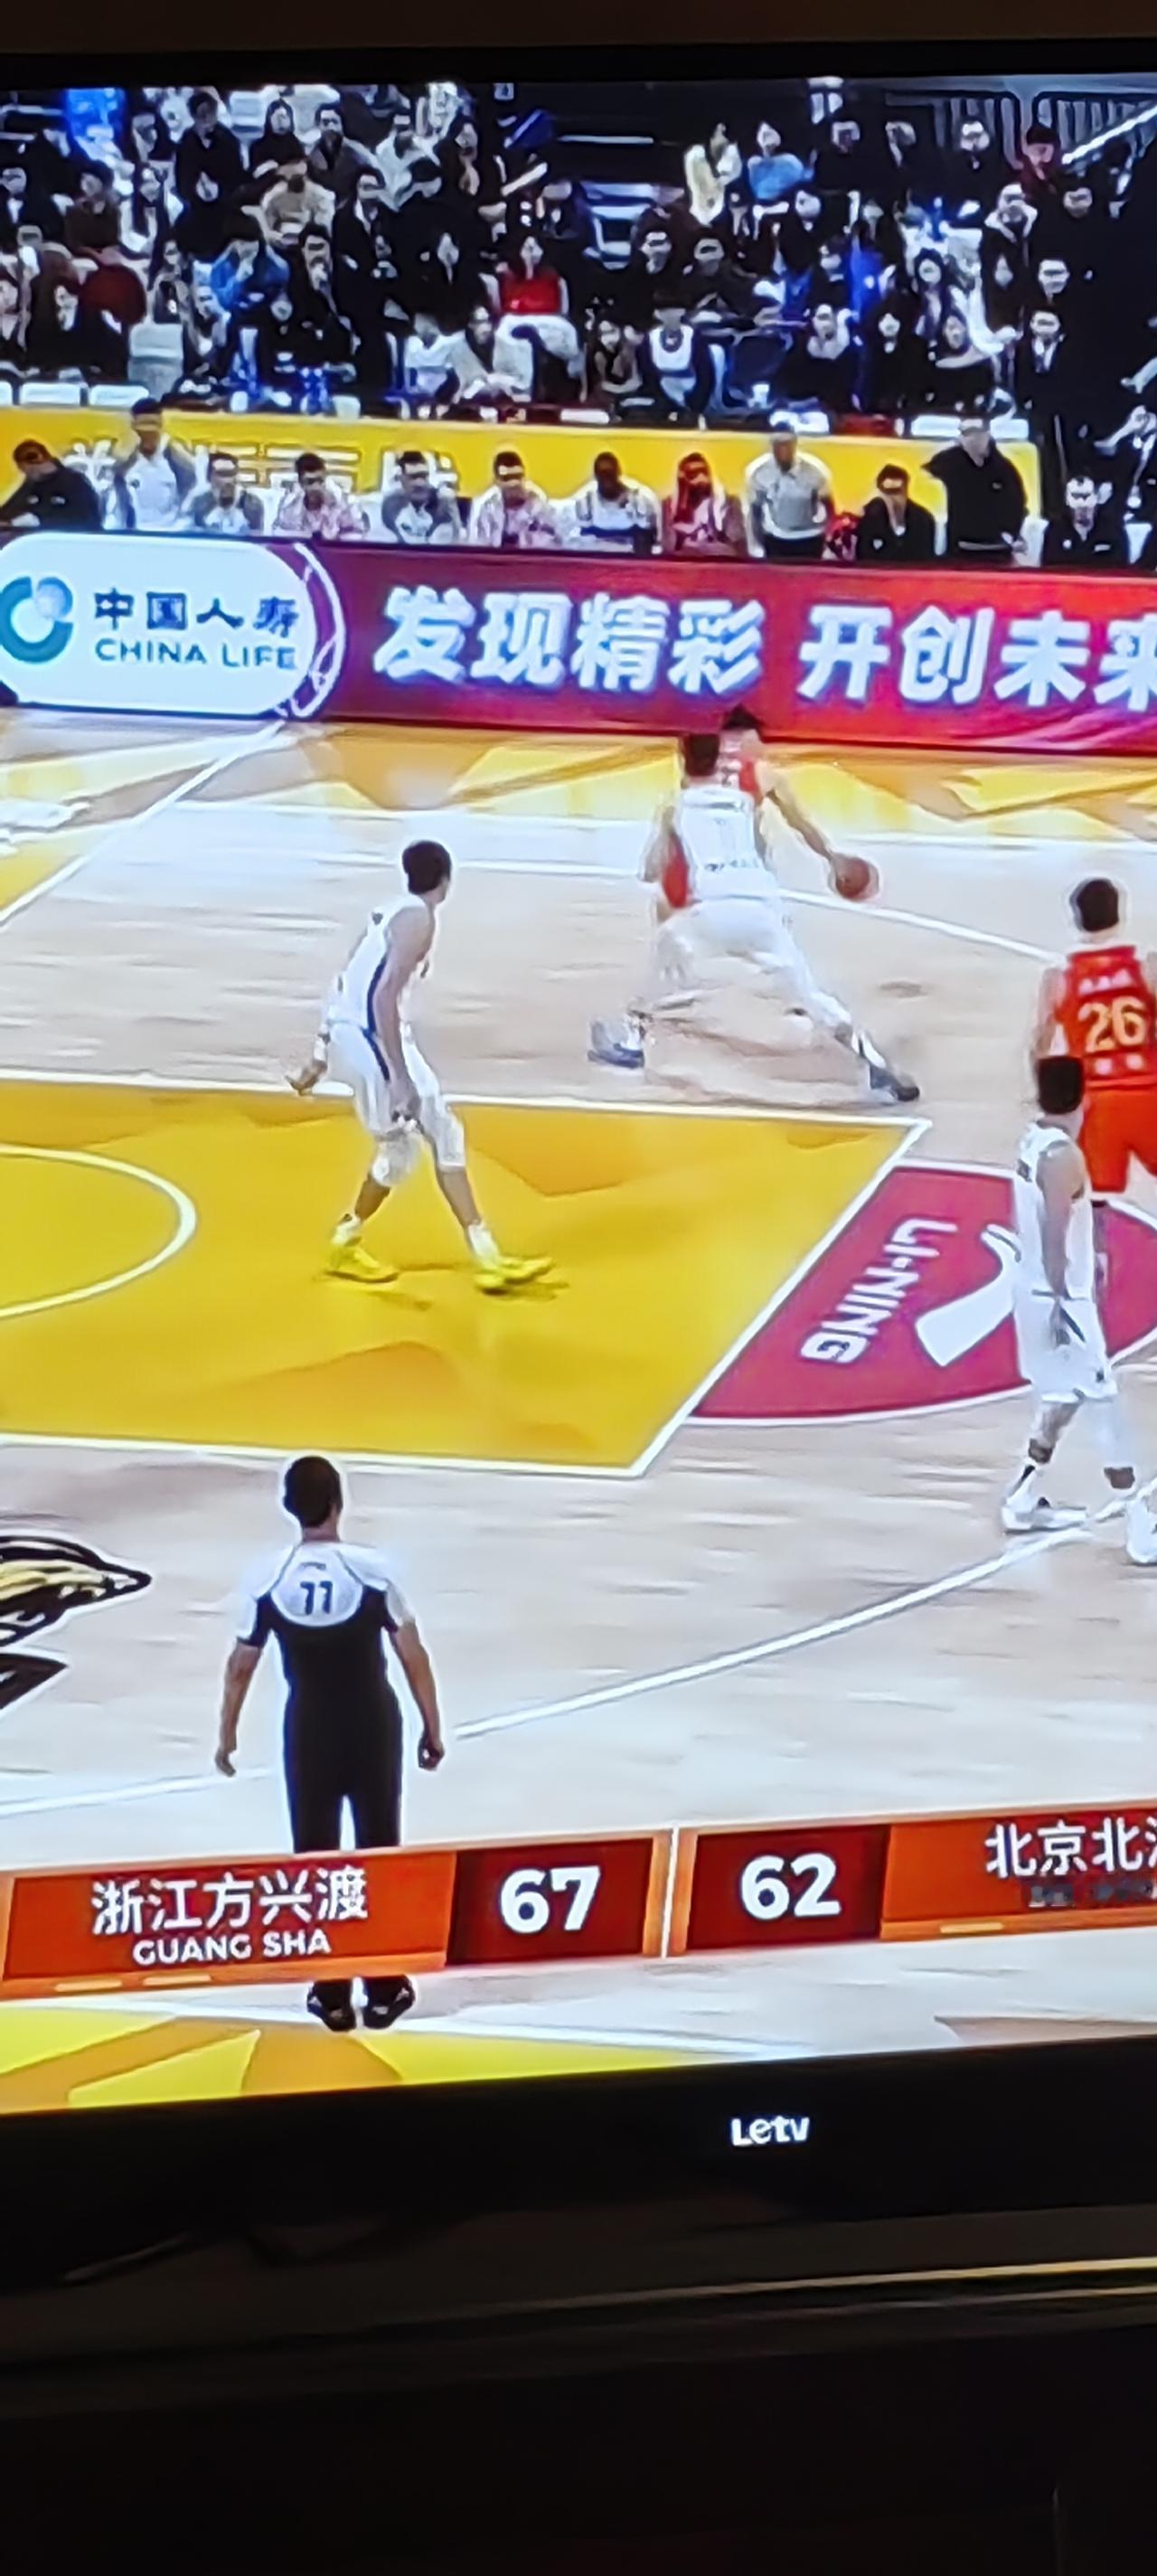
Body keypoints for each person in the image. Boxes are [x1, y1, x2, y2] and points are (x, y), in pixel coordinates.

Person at [215, 1452, 446, 2034]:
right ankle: (385, 1987)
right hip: (372, 1724)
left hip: (309, 1729)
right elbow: (411, 1653)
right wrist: (432, 1725)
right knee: (378, 1851)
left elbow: (241, 1666)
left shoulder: (269, 1579)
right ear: (339, 1504)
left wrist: (227, 1734)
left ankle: (331, 1990)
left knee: (316, 1857)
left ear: (289, 1508)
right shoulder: (372, 1573)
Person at [589, 722, 917, 1106]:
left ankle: (632, 1042)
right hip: (762, 910)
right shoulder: (745, 801)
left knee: (663, 954)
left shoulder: (674, 807)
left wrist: (660, 862)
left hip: (709, 914)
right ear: (720, 756)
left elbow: (649, 870)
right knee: (814, 998)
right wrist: (829, 857)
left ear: (682, 758)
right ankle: (875, 1063)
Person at [288, 839, 551, 1295]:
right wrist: (399, 1079)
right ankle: (347, 1242)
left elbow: (343, 984)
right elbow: (382, 998)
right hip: (369, 1041)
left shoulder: (387, 912)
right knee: (405, 1150)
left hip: (363, 1036)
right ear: (446, 881)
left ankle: (486, 1255)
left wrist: (318, 1053)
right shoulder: (420, 921)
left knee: (439, 1135)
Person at [1002, 1055, 1157, 1562]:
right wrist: (1063, 1305)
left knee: (1063, 1397)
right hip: (1059, 1299)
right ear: (1084, 1097)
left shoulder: (1032, 1141)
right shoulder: (1064, 1157)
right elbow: (1054, 1236)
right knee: (1105, 1406)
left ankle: (1022, 1500)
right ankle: (1141, 1527)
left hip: (1031, 1290)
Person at [1030, 878, 1157, 1275]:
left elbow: (1041, 1045)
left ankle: (1095, 1267)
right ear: (1120, 913)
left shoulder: (1059, 978)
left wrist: (1048, 1103)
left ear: (1077, 918)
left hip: (1097, 1103)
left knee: (1094, 1201)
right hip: (1148, 1092)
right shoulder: (1147, 967)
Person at [927, 414, 1027, 563]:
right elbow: (932, 467)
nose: (971, 438)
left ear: (986, 434)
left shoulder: (1004, 469)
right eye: (965, 433)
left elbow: (1018, 504)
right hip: (960, 549)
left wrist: (1011, 533)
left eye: (975, 432)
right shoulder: (952, 463)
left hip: (998, 550)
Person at [744, 416, 832, 561]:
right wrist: (755, 545)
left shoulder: (813, 471)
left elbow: (829, 505)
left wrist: (827, 533)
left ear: (794, 444)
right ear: (772, 446)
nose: (783, 449)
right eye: (778, 445)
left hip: (810, 537)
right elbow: (755, 512)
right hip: (775, 537)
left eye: (786, 444)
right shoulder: (760, 474)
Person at [106, 398, 195, 532]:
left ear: (160, 425)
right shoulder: (124, 457)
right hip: (131, 531)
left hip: (169, 530)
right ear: (134, 426)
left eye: (152, 426)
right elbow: (109, 480)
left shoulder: (174, 456)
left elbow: (192, 482)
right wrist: (125, 458)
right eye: (143, 427)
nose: (148, 434)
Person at [561, 451, 658, 554]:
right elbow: (577, 543)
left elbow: (648, 540)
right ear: (596, 475)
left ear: (618, 472)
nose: (607, 477)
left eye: (610, 472)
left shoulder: (640, 500)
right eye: (602, 472)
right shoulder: (584, 502)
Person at [637, 298, 715, 420]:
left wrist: (696, 404)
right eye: (665, 312)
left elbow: (705, 374)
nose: (670, 315)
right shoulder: (651, 337)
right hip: (663, 393)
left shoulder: (692, 335)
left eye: (675, 310)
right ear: (657, 314)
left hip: (692, 389)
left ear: (682, 312)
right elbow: (647, 373)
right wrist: (663, 401)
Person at [0, 438, 100, 531]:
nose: (27, 473)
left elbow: (85, 518)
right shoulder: (31, 485)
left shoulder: (74, 483)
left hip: (67, 539)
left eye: (27, 470)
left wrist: (33, 522)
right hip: (33, 539)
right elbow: (11, 508)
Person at [467, 448, 559, 548]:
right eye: (507, 478)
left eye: (517, 476)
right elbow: (478, 545)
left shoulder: (539, 504)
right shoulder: (487, 507)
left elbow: (551, 545)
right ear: (496, 481)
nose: (514, 484)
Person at [661, 451, 746, 558]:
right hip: (682, 562)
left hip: (719, 560)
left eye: (704, 472)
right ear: (682, 477)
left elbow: (737, 543)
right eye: (693, 474)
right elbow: (667, 547)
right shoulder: (668, 506)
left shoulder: (729, 503)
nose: (701, 478)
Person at [272, 450, 368, 541]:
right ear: (301, 483)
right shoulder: (289, 505)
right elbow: (281, 535)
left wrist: (337, 538)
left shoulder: (344, 502)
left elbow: (359, 534)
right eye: (310, 482)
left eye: (320, 481)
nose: (316, 487)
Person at [854, 462, 936, 561]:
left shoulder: (923, 519)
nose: (893, 499)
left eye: (897, 491)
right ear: (879, 491)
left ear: (906, 490)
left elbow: (926, 558)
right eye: (888, 492)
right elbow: (862, 556)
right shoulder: (868, 518)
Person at [174, 89, 243, 209]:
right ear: (193, 115)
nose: (206, 117)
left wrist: (218, 190)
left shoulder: (229, 140)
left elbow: (237, 178)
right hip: (195, 206)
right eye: (202, 113)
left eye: (210, 112)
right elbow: (182, 182)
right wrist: (196, 191)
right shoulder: (185, 143)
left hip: (225, 205)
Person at [1040, 473, 1127, 567]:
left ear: (1097, 499)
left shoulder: (1113, 532)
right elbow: (1048, 567)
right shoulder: (1055, 532)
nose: (1082, 509)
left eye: (1086, 507)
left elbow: (1121, 567)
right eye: (1076, 497)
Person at [920, 311, 997, 415]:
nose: (955, 332)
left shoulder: (983, 366)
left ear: (966, 329)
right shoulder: (932, 364)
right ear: (943, 332)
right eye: (950, 327)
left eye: (958, 326)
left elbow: (988, 403)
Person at [380, 449, 461, 544]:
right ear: (401, 479)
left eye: (423, 476)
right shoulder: (390, 504)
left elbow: (456, 538)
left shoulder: (444, 504)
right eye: (413, 477)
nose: (419, 483)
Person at [186, 451, 265, 535]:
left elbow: (256, 537)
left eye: (231, 473)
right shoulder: (199, 504)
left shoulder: (252, 504)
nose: (228, 480)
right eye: (222, 473)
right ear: (209, 477)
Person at [746, 121, 807, 207]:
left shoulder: (791, 163)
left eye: (767, 132)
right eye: (762, 132)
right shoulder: (755, 164)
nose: (764, 136)